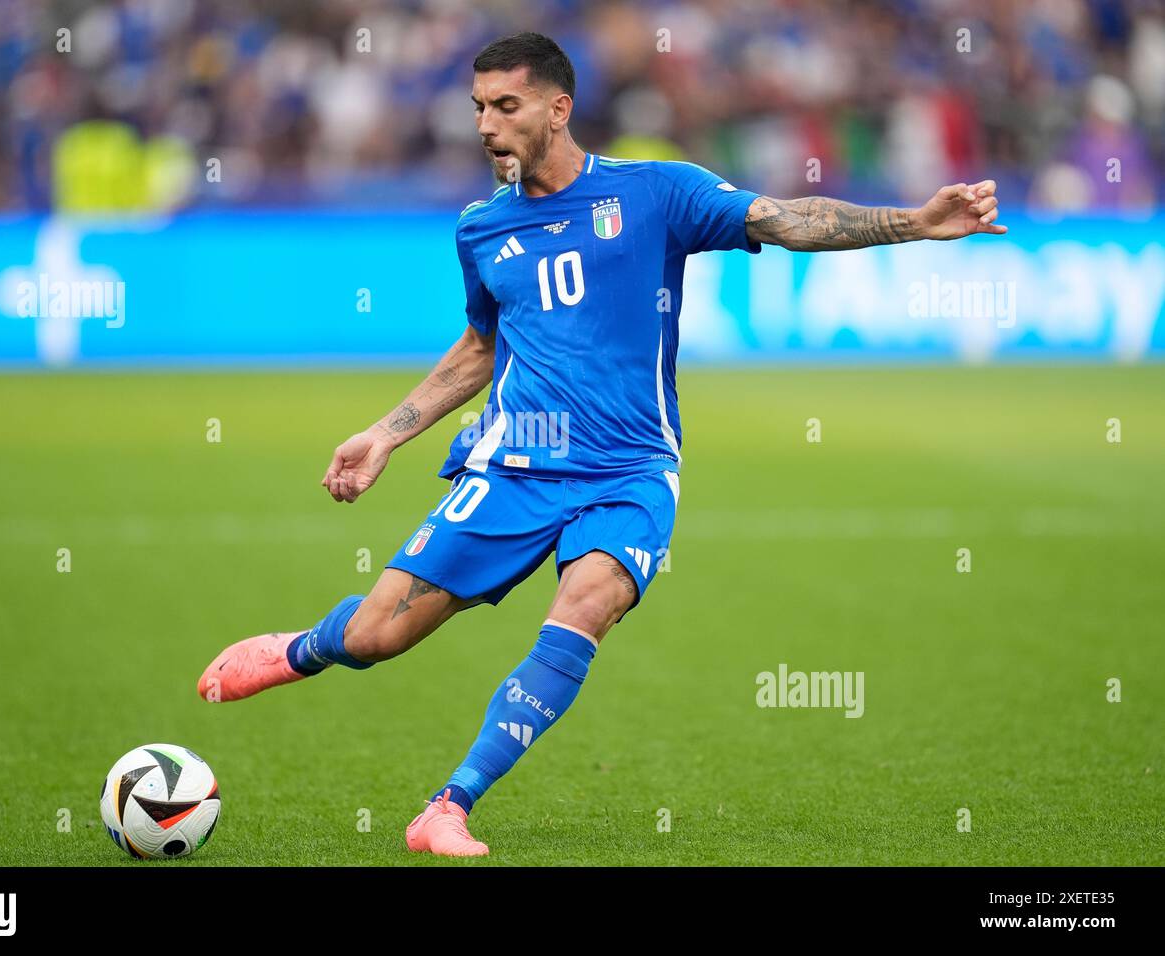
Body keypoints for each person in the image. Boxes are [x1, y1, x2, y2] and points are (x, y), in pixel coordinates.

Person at [197, 31, 1006, 857]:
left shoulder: (658, 194)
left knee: (588, 602)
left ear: (559, 107)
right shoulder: (481, 229)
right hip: (513, 465)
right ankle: (300, 649)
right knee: (376, 637)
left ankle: (449, 806)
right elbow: (481, 346)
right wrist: (387, 433)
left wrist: (912, 222)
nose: (486, 125)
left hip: (630, 470)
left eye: (505, 106)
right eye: (478, 107)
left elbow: (786, 219)